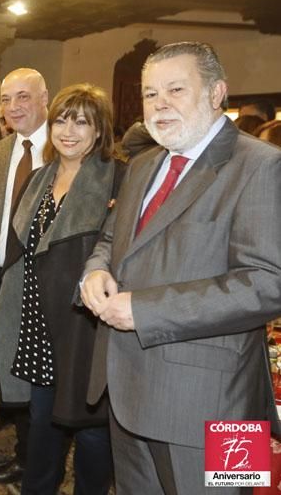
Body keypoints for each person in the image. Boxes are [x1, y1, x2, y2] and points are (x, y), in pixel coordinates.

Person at [80, 41, 281, 494]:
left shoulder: (264, 165)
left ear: (216, 93)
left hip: (219, 403)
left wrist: (146, 312)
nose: (160, 104)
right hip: (127, 391)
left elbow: (269, 283)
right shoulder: (144, 163)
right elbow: (112, 240)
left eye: (175, 89)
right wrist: (94, 272)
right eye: (151, 94)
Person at [0, 84, 119, 494]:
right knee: (42, 427)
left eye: (82, 121)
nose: (69, 130)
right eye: (62, 119)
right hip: (36, 321)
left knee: (92, 432)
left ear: (100, 130)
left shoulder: (117, 179)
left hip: (84, 326)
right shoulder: (41, 177)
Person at [0, 68, 51, 484]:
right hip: (6, 277)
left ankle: (39, 461)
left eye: (23, 97)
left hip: (48, 283)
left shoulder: (65, 149)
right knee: (14, 373)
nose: (13, 107)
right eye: (6, 100)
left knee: (45, 381)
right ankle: (28, 458)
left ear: (45, 98)